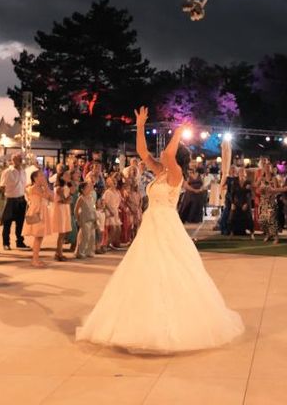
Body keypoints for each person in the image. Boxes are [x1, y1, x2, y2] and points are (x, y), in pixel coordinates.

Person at [76, 106, 244, 353]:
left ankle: (172, 322)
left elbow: (167, 152)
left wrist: (179, 131)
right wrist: (141, 124)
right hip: (150, 225)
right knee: (144, 270)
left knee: (169, 270)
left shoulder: (175, 173)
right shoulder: (160, 171)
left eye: (169, 154)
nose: (163, 155)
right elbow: (143, 151)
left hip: (166, 226)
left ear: (176, 158)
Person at [22, 170, 53, 268]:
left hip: (42, 212)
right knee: (38, 236)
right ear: (35, 178)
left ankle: (36, 258)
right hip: (36, 213)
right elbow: (45, 195)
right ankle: (34, 260)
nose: (44, 177)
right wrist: (46, 186)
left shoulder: (41, 188)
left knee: (40, 236)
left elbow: (52, 198)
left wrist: (45, 187)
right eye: (41, 176)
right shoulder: (32, 188)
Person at [0, 153, 30, 251]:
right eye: (18, 159)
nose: (21, 160)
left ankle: (20, 242)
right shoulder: (7, 172)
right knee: (7, 223)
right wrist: (2, 202)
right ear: (13, 160)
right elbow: (2, 187)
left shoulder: (23, 172)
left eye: (21, 159)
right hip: (10, 200)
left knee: (20, 223)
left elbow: (25, 185)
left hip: (21, 199)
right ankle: (6, 243)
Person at [51, 170, 73, 261]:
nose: (69, 176)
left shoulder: (65, 186)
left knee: (64, 233)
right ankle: (58, 253)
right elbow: (61, 200)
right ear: (61, 177)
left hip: (65, 209)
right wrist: (68, 198)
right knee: (62, 232)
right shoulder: (59, 188)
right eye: (66, 175)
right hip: (60, 210)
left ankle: (59, 252)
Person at [228, 168, 254, 237]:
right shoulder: (234, 182)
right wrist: (232, 203)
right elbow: (232, 194)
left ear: (245, 174)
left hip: (245, 202)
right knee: (232, 217)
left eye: (243, 172)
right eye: (240, 172)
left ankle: (252, 233)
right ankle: (231, 232)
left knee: (248, 217)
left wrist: (246, 204)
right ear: (238, 173)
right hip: (237, 202)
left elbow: (250, 195)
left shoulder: (248, 182)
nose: (242, 173)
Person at [257, 163, 279, 243]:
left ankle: (275, 236)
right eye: (265, 167)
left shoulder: (274, 178)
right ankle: (268, 234)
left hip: (271, 201)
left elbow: (277, 190)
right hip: (263, 202)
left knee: (271, 219)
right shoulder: (261, 179)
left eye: (268, 168)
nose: (266, 169)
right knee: (262, 220)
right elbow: (256, 186)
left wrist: (271, 191)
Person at [75, 181, 97, 259]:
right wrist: (77, 219)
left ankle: (89, 251)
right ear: (82, 189)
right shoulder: (81, 198)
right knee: (84, 236)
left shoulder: (91, 197)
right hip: (84, 219)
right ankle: (80, 252)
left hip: (91, 218)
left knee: (92, 236)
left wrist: (95, 218)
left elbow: (94, 208)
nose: (89, 188)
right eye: (87, 187)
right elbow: (76, 209)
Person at [102, 175, 122, 250]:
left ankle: (110, 243)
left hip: (115, 211)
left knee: (118, 229)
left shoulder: (117, 191)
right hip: (110, 211)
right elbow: (105, 203)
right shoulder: (107, 192)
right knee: (113, 229)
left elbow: (119, 201)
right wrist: (110, 211)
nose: (114, 183)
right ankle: (105, 245)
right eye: (112, 182)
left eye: (115, 181)